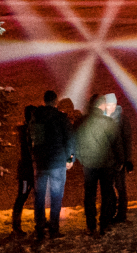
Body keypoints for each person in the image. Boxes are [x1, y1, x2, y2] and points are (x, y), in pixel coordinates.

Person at [26, 89, 74, 240]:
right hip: (58, 162)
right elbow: (69, 139)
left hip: (40, 163)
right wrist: (70, 158)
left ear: (44, 101)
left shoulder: (36, 118)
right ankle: (54, 229)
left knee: (39, 197)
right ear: (56, 101)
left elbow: (32, 140)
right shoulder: (61, 118)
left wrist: (35, 156)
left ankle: (40, 228)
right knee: (56, 196)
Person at [73, 94, 122, 235]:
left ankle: (91, 226)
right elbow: (116, 144)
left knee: (90, 195)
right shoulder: (109, 122)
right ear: (102, 105)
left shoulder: (81, 121)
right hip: (106, 164)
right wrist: (119, 160)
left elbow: (75, 141)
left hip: (89, 164)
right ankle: (104, 224)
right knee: (107, 194)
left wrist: (79, 158)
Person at [109, 91, 134, 224]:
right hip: (110, 160)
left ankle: (121, 214)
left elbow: (127, 140)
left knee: (120, 187)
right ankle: (115, 212)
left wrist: (127, 160)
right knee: (112, 187)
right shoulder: (115, 119)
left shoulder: (122, 120)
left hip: (118, 160)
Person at [10, 105, 34, 236]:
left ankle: (18, 225)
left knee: (32, 195)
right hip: (27, 169)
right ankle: (16, 225)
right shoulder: (27, 131)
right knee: (23, 196)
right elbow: (29, 150)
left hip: (28, 169)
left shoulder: (26, 130)